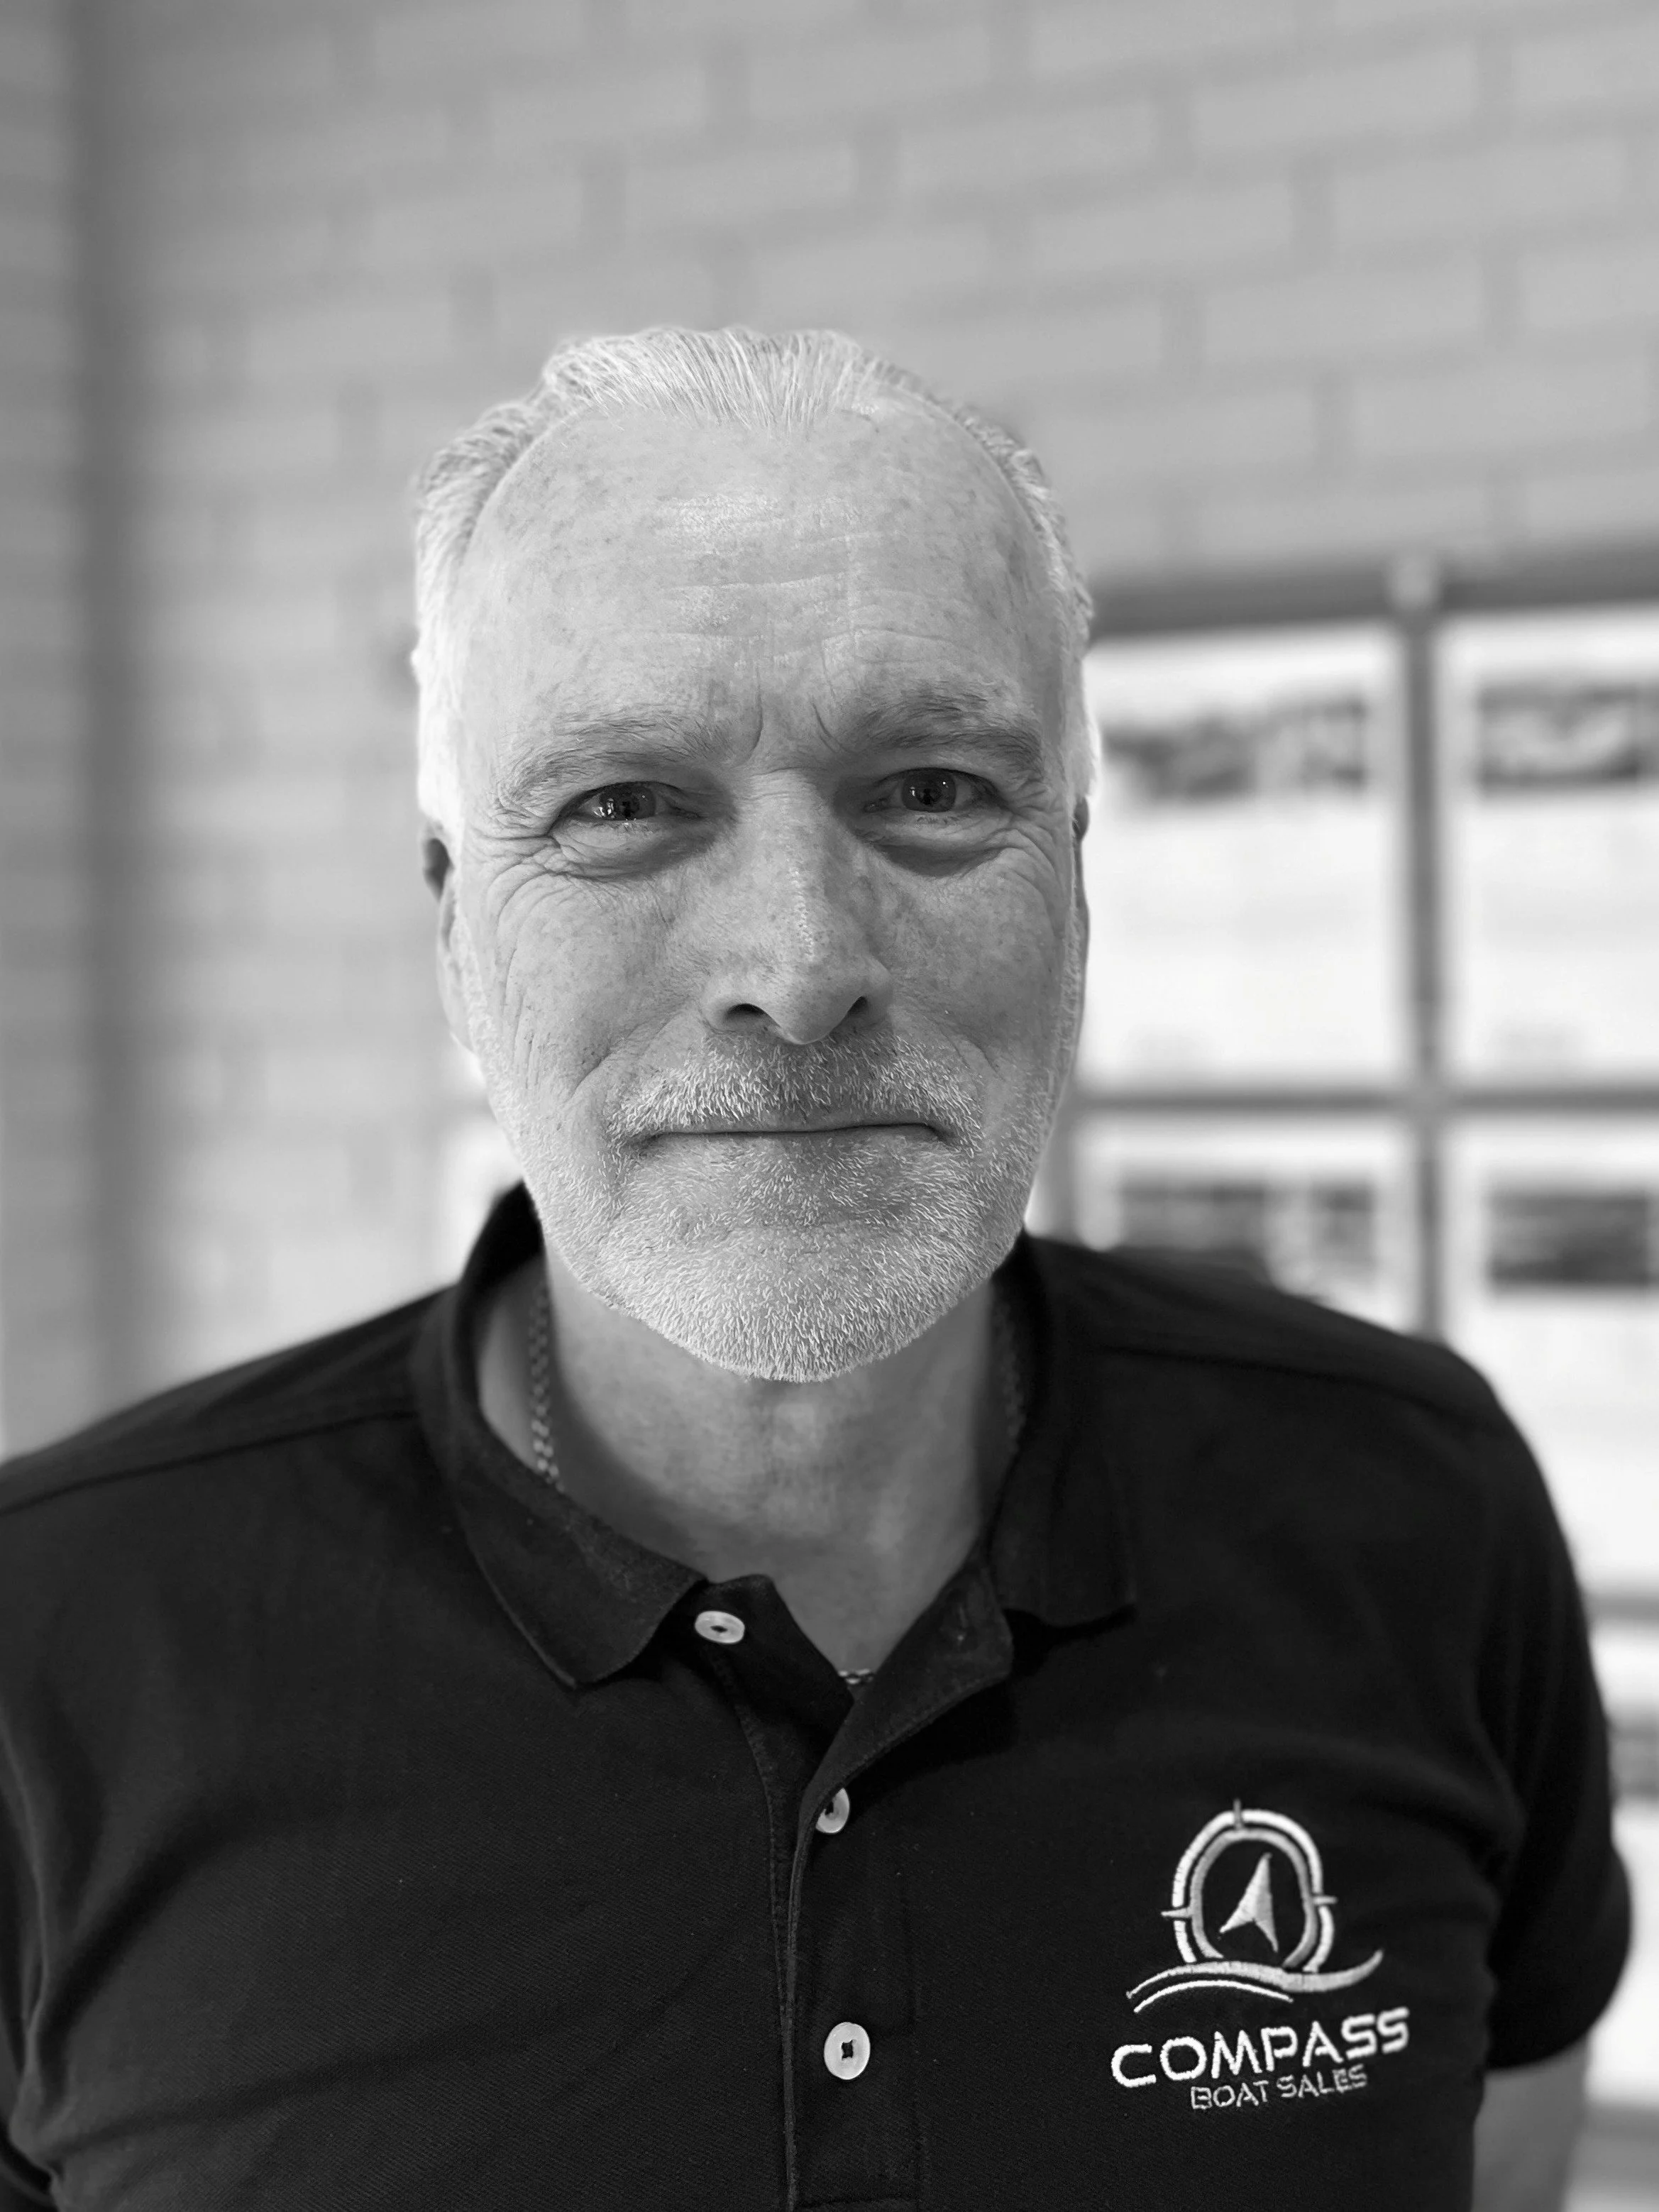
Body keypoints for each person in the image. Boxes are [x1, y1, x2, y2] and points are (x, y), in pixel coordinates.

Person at [0, 327, 1628, 2212]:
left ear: (1076, 893)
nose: (796, 959)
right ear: (458, 933)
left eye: (930, 787)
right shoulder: (54, 1650)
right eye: (622, 804)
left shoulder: (1411, 1505)